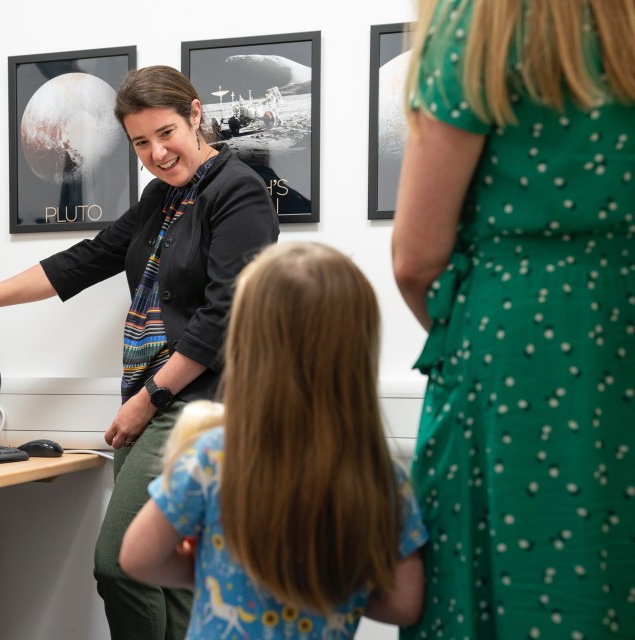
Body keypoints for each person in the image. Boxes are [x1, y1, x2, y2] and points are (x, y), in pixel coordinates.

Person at [0, 65, 279, 639]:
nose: (157, 152)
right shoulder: (162, 198)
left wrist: (147, 400)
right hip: (157, 399)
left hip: (197, 405)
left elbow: (222, 321)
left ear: (195, 115)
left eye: (166, 133)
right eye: (140, 142)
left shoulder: (238, 191)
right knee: (166, 575)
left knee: (124, 564)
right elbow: (81, 261)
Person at [392, 1, 635, 637]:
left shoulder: (481, 19)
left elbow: (416, 259)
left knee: (512, 575)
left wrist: (466, 343)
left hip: (514, 344)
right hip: (621, 319)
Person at [120, 242, 428, 639]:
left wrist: (211, 574)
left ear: (246, 347)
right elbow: (405, 604)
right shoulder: (380, 478)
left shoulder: (213, 459)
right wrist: (326, 589)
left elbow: (136, 559)